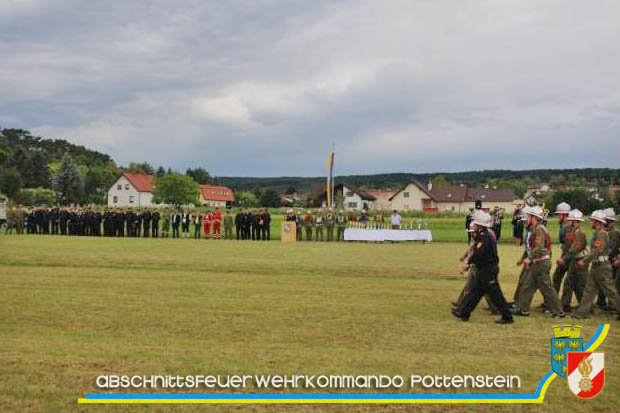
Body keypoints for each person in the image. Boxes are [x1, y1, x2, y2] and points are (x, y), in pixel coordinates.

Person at [452, 210, 514, 324]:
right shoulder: (482, 235)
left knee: (495, 294)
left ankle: (507, 316)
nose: (473, 226)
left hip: (488, 270)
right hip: (484, 269)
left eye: (475, 224)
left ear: (480, 226)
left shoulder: (485, 237)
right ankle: (464, 313)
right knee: (476, 292)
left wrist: (468, 264)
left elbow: (478, 253)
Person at [513, 206, 564, 317]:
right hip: (537, 263)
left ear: (534, 218)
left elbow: (539, 248)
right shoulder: (536, 229)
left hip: (541, 263)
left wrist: (529, 258)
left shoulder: (539, 230)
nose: (527, 219)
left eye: (529, 217)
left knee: (547, 288)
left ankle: (558, 311)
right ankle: (522, 309)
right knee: (527, 286)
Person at [572, 210, 620, 319]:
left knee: (610, 291)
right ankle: (581, 313)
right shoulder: (597, 234)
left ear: (597, 222)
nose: (590, 223)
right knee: (589, 290)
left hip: (602, 267)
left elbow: (597, 251)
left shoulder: (602, 235)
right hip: (596, 266)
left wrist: (584, 260)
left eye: (592, 220)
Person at [557, 209, 588, 312]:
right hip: (575, 260)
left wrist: (564, 258)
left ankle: (585, 307)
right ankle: (565, 305)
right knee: (569, 282)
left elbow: (574, 249)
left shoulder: (579, 234)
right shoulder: (574, 232)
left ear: (575, 222)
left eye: (571, 220)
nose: (569, 222)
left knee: (580, 285)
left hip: (580, 261)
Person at [596, 208, 619, 310]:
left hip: (611, 261)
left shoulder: (613, 233)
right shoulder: (605, 232)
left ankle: (612, 305)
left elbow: (612, 248)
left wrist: (606, 258)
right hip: (607, 260)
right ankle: (601, 302)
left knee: (610, 284)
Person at [552, 202, 572, 293]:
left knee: (561, 278)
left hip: (569, 257)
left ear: (564, 215)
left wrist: (563, 258)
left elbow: (568, 245)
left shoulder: (567, 227)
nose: (557, 217)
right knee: (558, 277)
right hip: (567, 256)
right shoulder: (564, 226)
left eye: (559, 215)